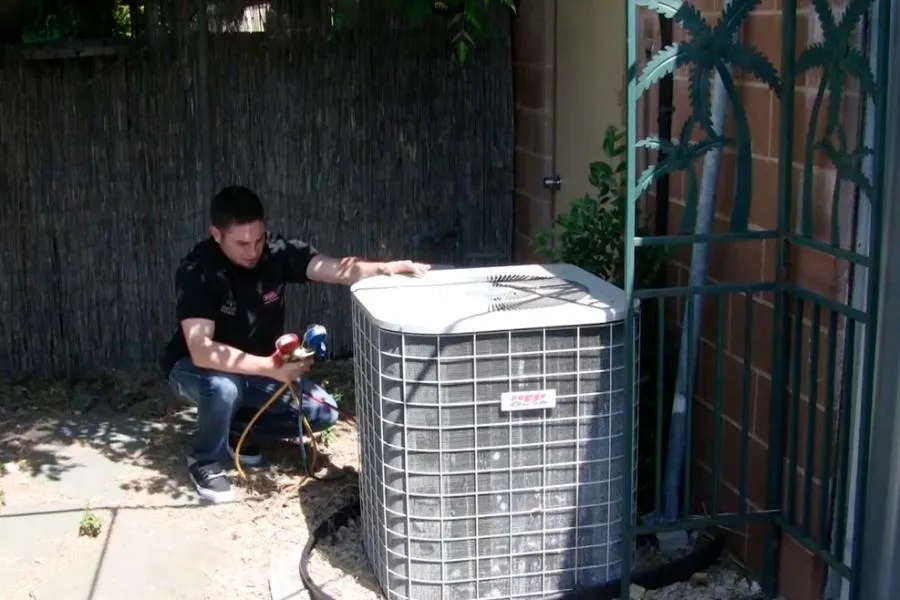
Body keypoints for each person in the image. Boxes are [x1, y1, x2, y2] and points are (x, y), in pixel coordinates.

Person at [161, 185, 430, 503]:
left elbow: (334, 269)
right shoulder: (197, 270)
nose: (253, 250)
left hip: (258, 369)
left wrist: (384, 268)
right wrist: (270, 368)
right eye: (242, 243)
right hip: (193, 369)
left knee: (322, 412)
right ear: (216, 235)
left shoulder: (276, 251)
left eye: (259, 239)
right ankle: (203, 458)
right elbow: (202, 350)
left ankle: (234, 427)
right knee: (224, 387)